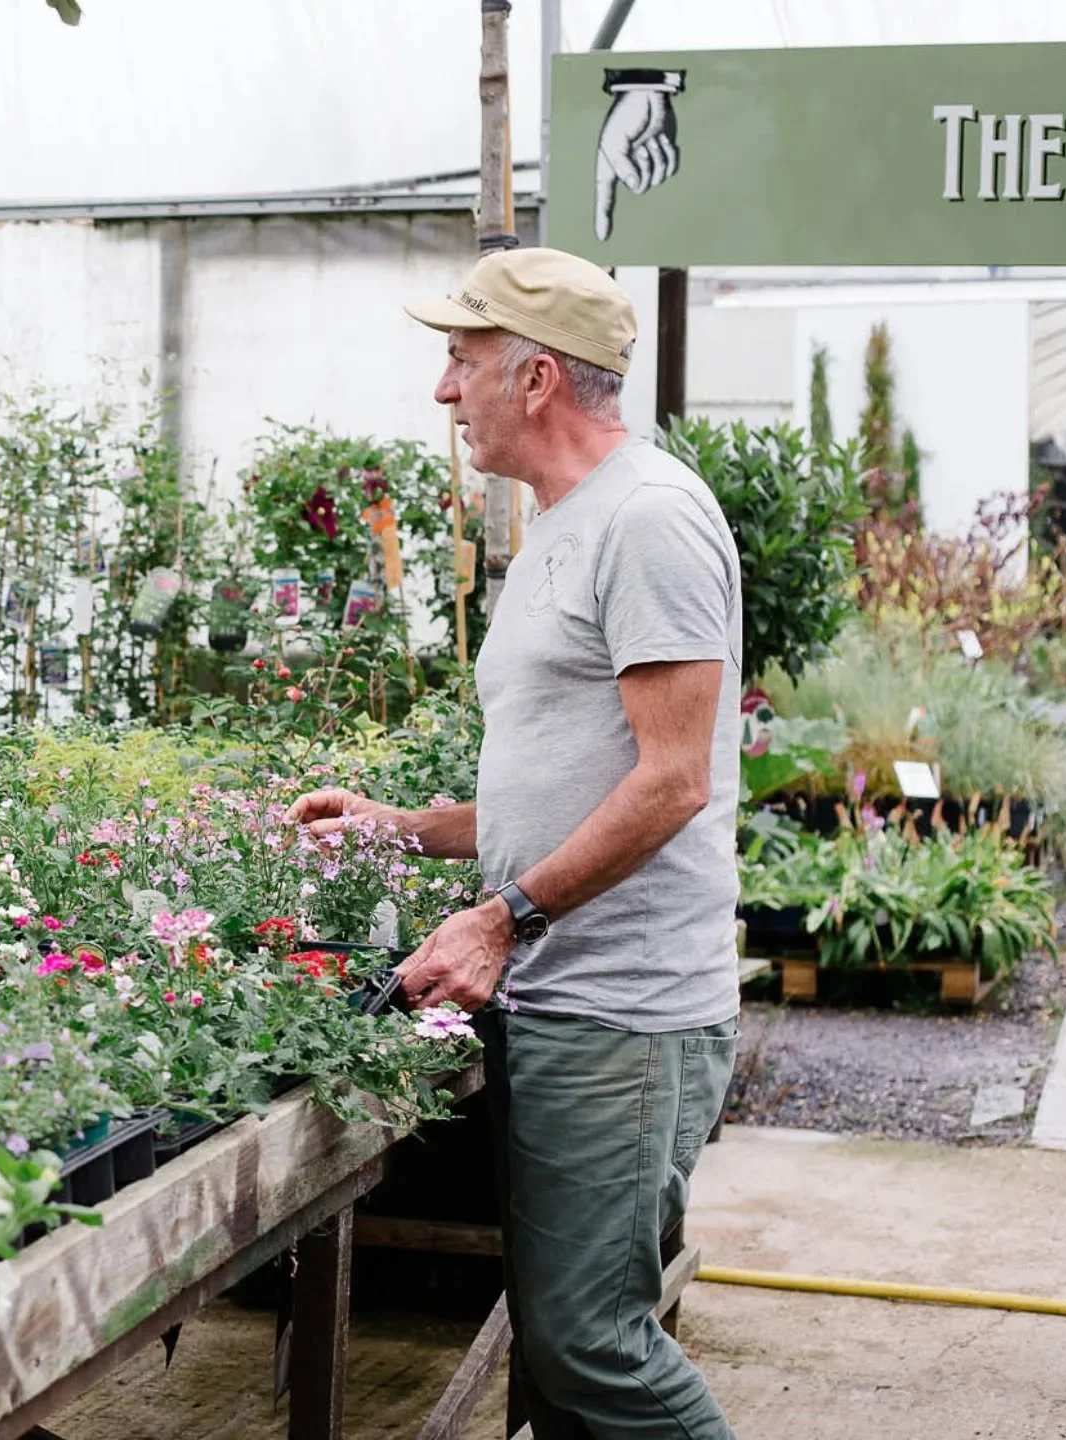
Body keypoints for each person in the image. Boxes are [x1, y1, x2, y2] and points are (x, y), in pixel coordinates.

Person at [287, 246, 742, 1440]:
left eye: (461, 359)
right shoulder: (565, 527)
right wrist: (405, 830)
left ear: (536, 378)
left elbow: (672, 781)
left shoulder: (647, 520)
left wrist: (502, 918)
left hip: (625, 1014)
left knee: (593, 1347)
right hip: (564, 999)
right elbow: (574, 788)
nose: (443, 389)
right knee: (557, 1353)